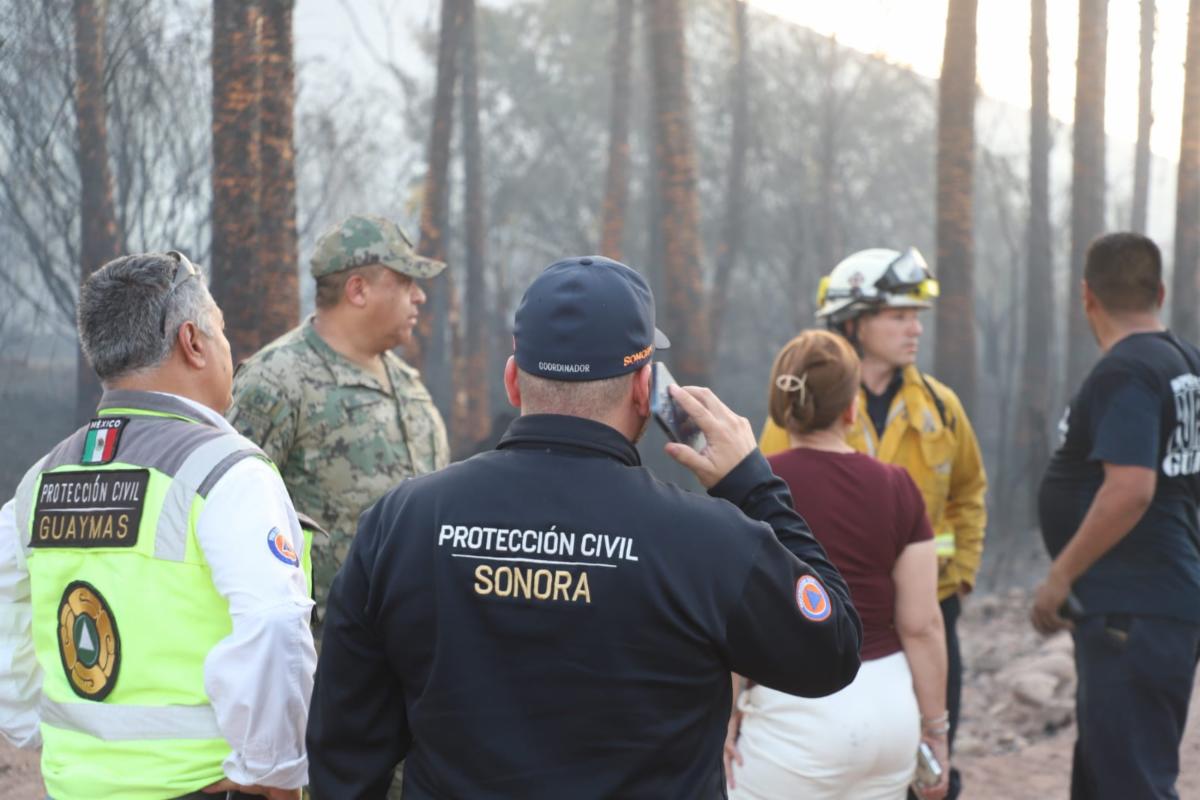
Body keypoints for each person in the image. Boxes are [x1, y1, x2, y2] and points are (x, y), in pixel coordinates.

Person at [306, 255, 863, 798]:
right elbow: (831, 649)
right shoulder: (707, 541)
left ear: (513, 381)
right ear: (645, 389)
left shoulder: (402, 522)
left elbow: (345, 745)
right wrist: (753, 485)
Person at [0, 252, 316, 800]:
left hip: (74, 786)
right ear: (192, 341)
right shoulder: (227, 471)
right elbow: (272, 623)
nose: (230, 349)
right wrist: (272, 771)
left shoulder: (41, 480)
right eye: (221, 329)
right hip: (204, 785)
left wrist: (37, 728)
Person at [758, 247, 986, 799]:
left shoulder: (942, 408)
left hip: (926, 615)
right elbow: (765, 514)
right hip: (825, 622)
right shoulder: (803, 405)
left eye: (917, 317)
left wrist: (955, 577)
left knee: (931, 772)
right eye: (899, 316)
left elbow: (968, 494)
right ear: (854, 322)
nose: (914, 329)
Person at [726, 330, 948, 800]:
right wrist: (936, 730)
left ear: (781, 406)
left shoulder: (755, 489)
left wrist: (722, 722)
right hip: (891, 715)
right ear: (852, 408)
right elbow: (922, 624)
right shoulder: (898, 486)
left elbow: (733, 620)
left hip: (792, 713)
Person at [1032, 232, 1200, 799]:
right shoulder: (1185, 365)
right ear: (1159, 291)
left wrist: (1060, 577)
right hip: (1154, 605)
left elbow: (1130, 490)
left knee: (1131, 785)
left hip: (1132, 610)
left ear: (1087, 296)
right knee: (1105, 780)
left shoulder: (1127, 370)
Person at [227, 214, 451, 622]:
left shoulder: (409, 384)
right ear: (358, 290)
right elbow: (233, 517)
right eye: (405, 282)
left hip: (411, 639)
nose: (419, 297)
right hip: (319, 646)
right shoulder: (276, 380)